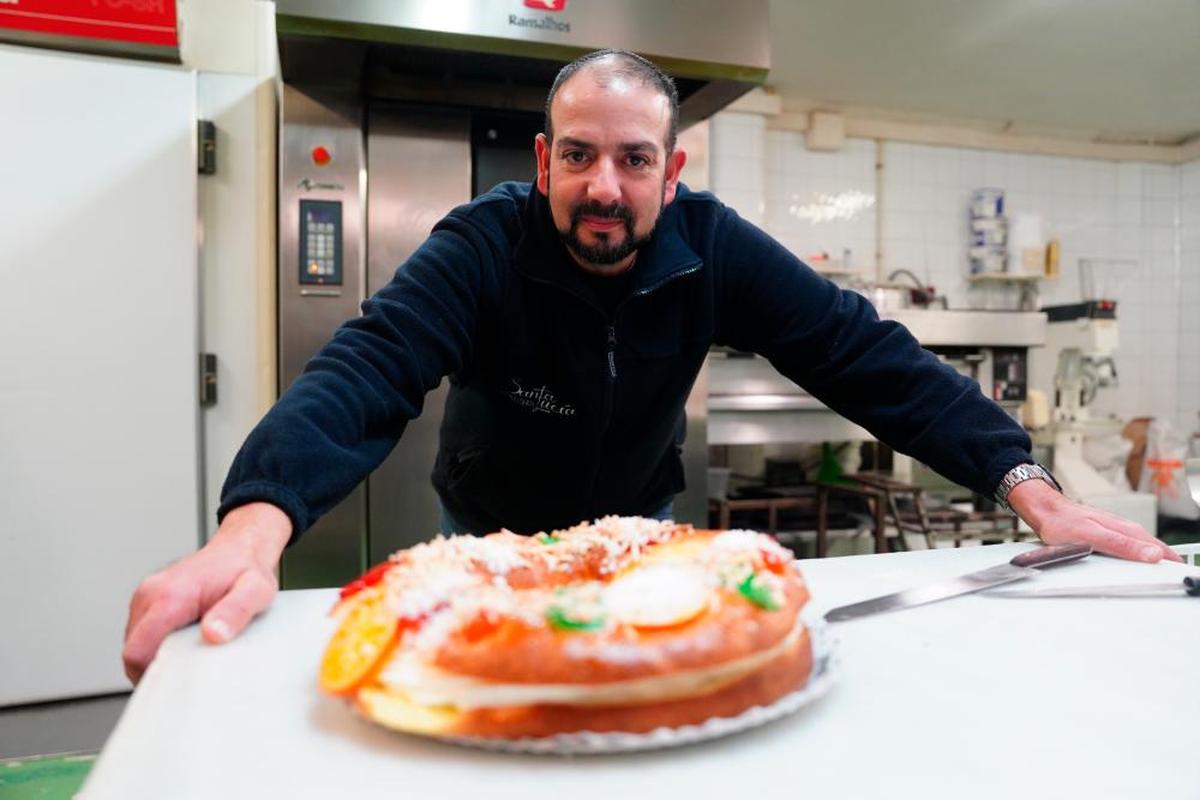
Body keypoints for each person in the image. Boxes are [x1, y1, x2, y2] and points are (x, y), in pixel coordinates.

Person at [122, 49, 1179, 684]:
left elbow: (867, 356)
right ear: (543, 163)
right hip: (486, 537)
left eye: (632, 159)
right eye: (578, 155)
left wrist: (1027, 486)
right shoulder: (484, 245)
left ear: (670, 173)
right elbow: (371, 364)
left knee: (642, 717)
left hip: (640, 536)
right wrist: (251, 526)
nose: (605, 187)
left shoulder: (715, 247)